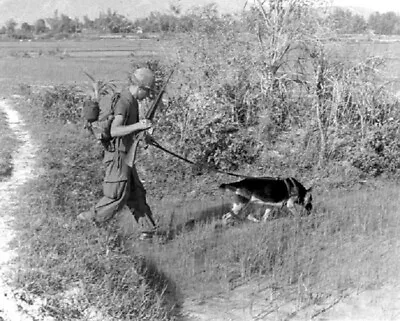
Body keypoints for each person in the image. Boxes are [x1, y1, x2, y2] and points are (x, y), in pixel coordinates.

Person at [78, 68, 157, 240]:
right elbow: (115, 131)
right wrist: (139, 126)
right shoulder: (125, 102)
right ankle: (84, 223)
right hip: (117, 158)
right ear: (141, 87)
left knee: (136, 194)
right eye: (148, 91)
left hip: (126, 156)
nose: (148, 95)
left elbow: (129, 131)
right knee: (116, 196)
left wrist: (144, 136)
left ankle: (148, 233)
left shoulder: (133, 101)